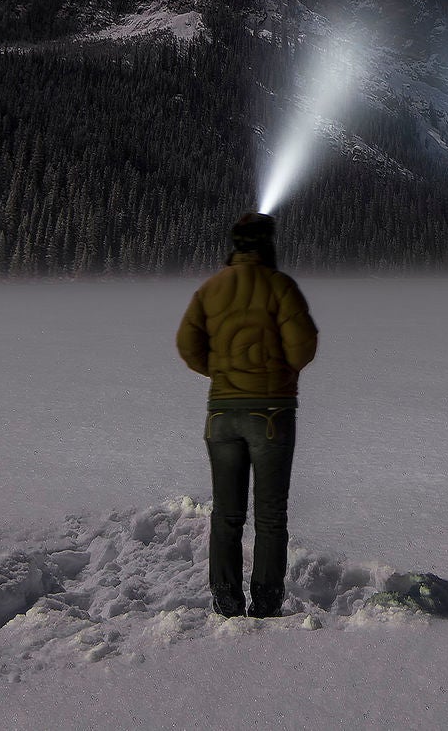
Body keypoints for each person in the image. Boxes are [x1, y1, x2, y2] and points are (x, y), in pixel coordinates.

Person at [176, 212, 318, 618]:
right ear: (268, 243)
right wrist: (272, 373)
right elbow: (303, 348)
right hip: (271, 413)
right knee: (270, 513)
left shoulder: (210, 289)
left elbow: (188, 346)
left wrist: (223, 373)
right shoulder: (280, 287)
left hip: (221, 414)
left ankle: (225, 595)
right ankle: (267, 599)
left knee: (226, 511)